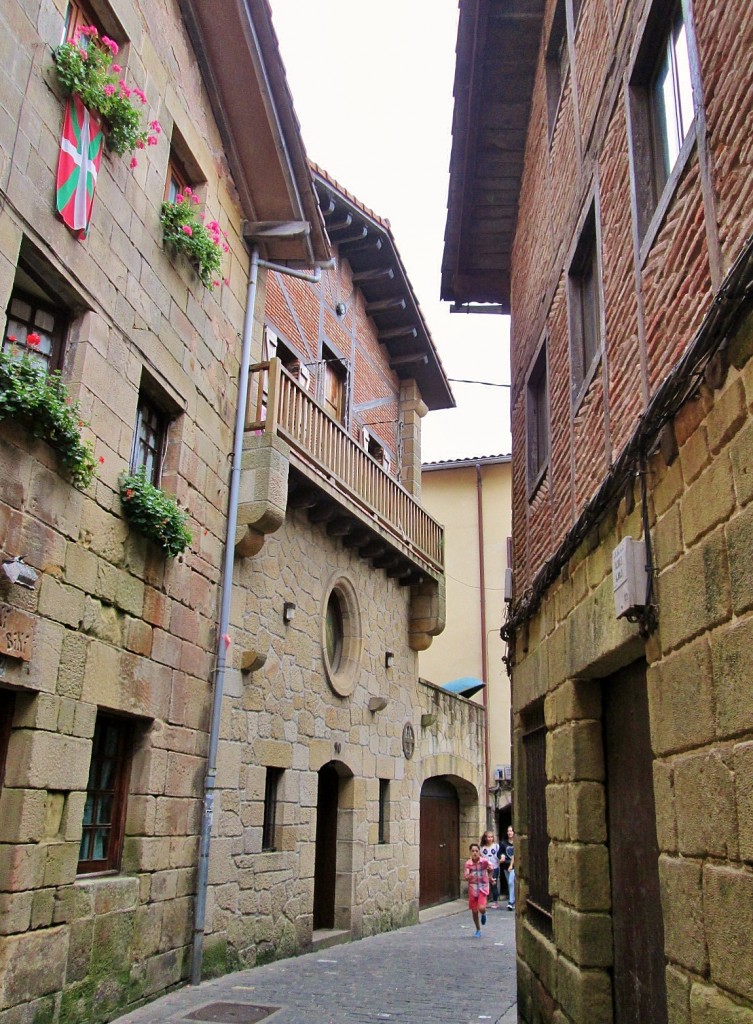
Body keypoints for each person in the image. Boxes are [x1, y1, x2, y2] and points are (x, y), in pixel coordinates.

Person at [464, 842, 493, 937]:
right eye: (473, 851)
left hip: (483, 887)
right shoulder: (468, 864)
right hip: (473, 888)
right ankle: (478, 929)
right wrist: (470, 876)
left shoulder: (484, 861)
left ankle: (484, 913)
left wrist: (490, 878)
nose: (475, 853)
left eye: (476, 851)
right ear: (470, 852)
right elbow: (466, 876)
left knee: (481, 908)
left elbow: (491, 868)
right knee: (474, 911)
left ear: (479, 852)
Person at [480, 829, 501, 908]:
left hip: (494, 867)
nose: (490, 839)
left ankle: (495, 901)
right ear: (485, 838)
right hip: (485, 868)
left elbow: (499, 856)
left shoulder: (496, 846)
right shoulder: (482, 847)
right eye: (488, 837)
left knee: (493, 884)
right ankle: (485, 900)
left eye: (491, 837)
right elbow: (481, 857)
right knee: (484, 884)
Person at [503, 825, 515, 911]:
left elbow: (515, 855)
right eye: (508, 831)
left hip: (514, 867)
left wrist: (511, 865)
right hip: (505, 866)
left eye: (511, 831)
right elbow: (499, 853)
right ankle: (514, 899)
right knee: (510, 884)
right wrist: (501, 856)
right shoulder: (504, 843)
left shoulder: (517, 843)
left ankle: (511, 902)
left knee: (511, 882)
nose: (509, 832)